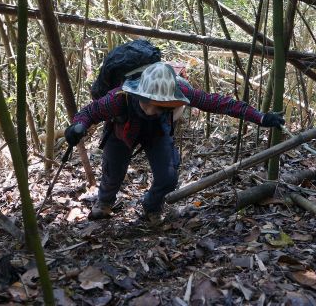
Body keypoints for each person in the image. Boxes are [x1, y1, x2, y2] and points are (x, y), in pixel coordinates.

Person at [65, 62, 284, 223]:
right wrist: (79, 127)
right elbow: (90, 112)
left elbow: (219, 103)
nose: (153, 110)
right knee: (113, 173)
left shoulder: (181, 91)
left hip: (158, 133)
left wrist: (261, 117)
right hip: (121, 132)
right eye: (149, 103)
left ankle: (151, 206)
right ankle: (104, 203)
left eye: (162, 105)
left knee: (168, 177)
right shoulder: (119, 97)